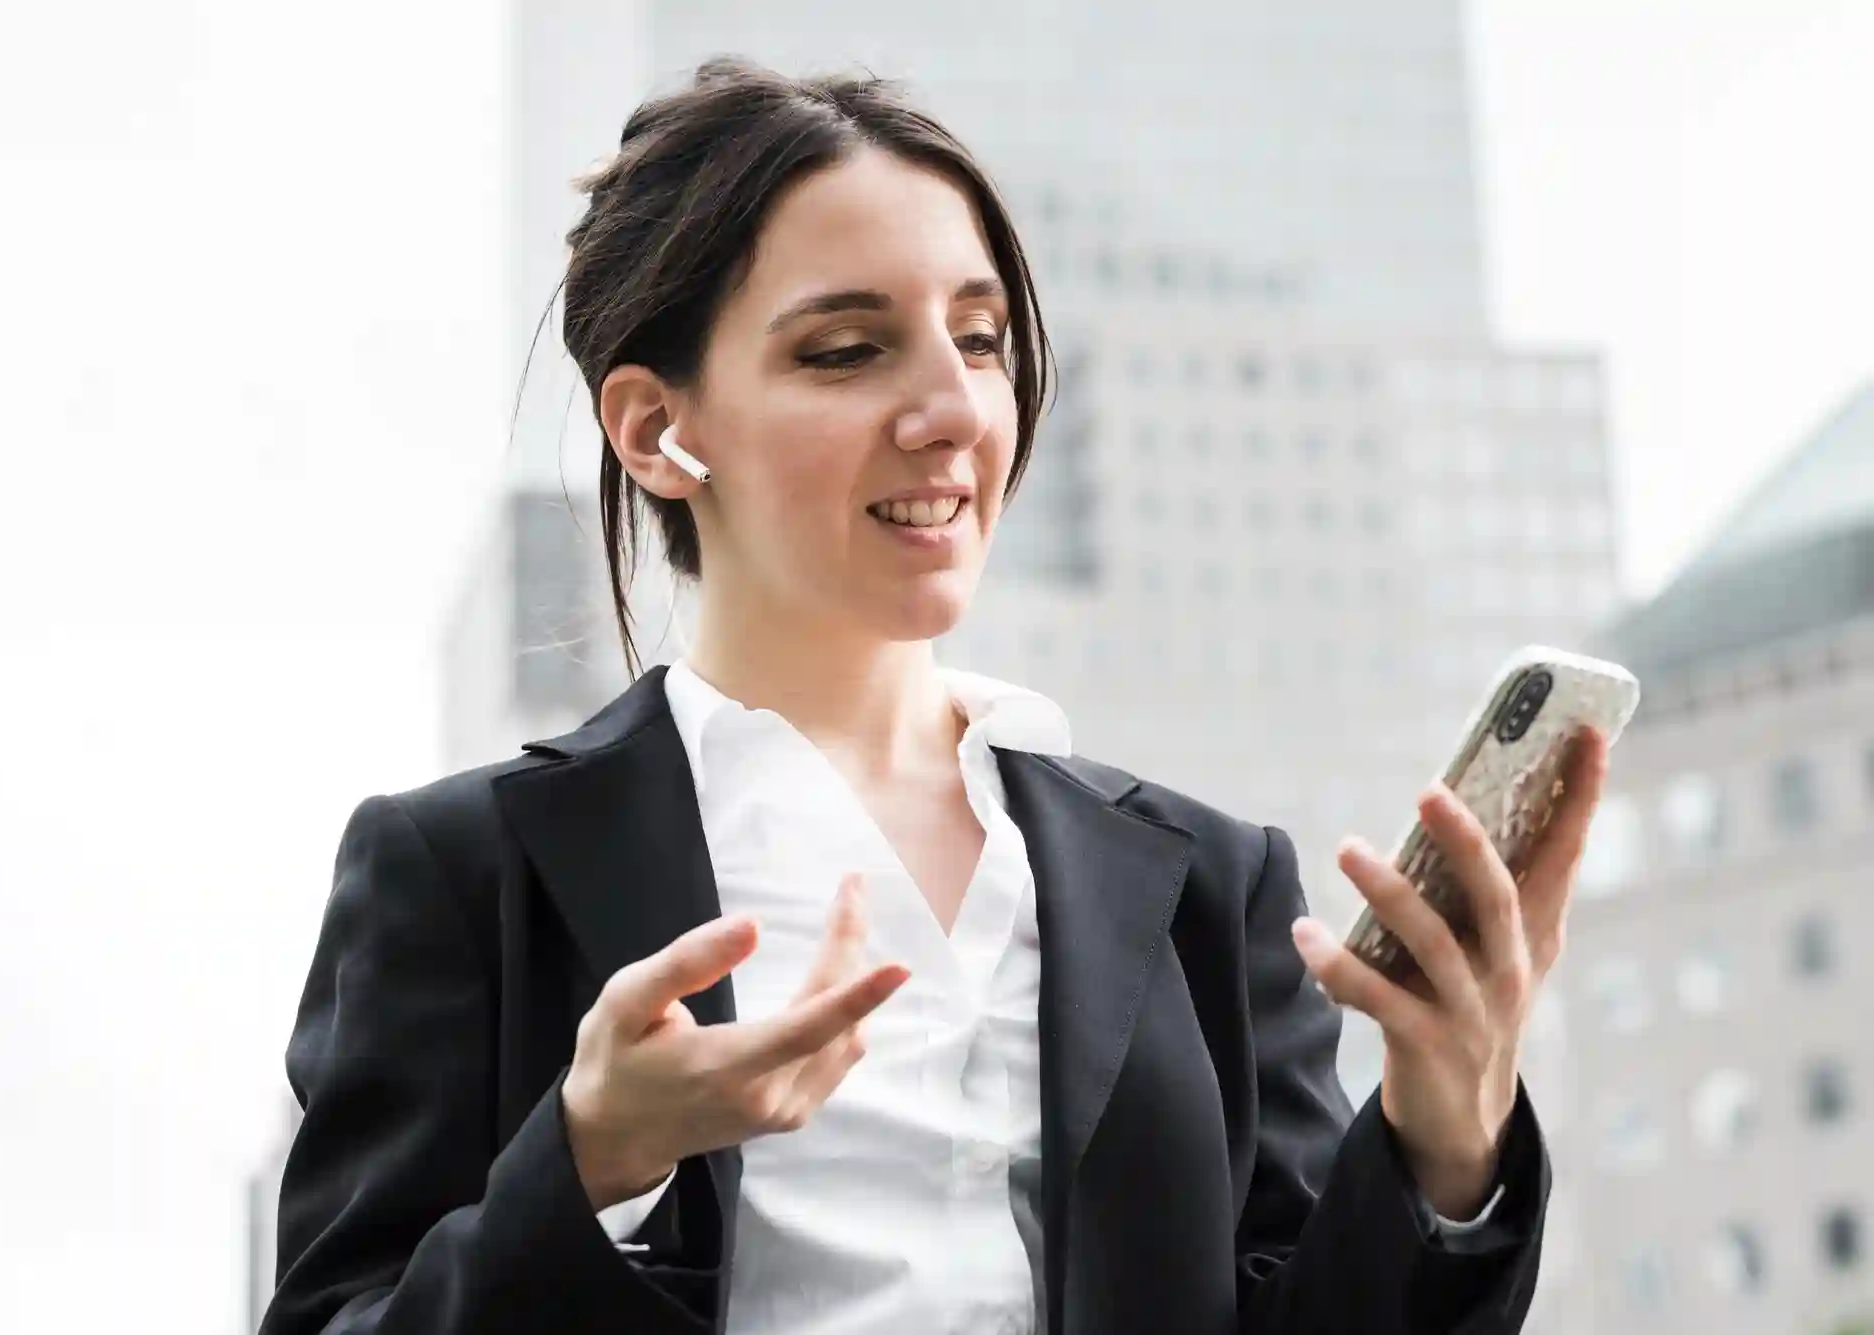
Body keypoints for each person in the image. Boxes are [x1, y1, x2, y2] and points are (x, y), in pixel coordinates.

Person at [261, 58, 1607, 1335]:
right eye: (846, 350)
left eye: (978, 337)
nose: (954, 408)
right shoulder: (458, 873)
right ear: (656, 430)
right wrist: (592, 1163)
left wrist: (1448, 1128)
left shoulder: (1206, 883)